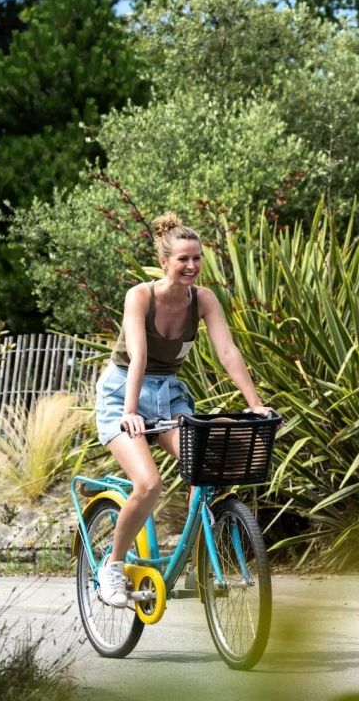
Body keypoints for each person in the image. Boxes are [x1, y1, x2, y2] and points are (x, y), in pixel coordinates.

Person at [94, 212, 271, 607]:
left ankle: (195, 567)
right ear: (164, 262)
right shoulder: (140, 296)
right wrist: (129, 411)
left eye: (197, 259)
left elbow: (227, 351)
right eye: (183, 260)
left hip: (169, 394)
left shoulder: (204, 299)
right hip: (124, 391)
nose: (192, 266)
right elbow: (137, 356)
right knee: (149, 484)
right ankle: (114, 567)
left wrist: (255, 405)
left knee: (205, 472)